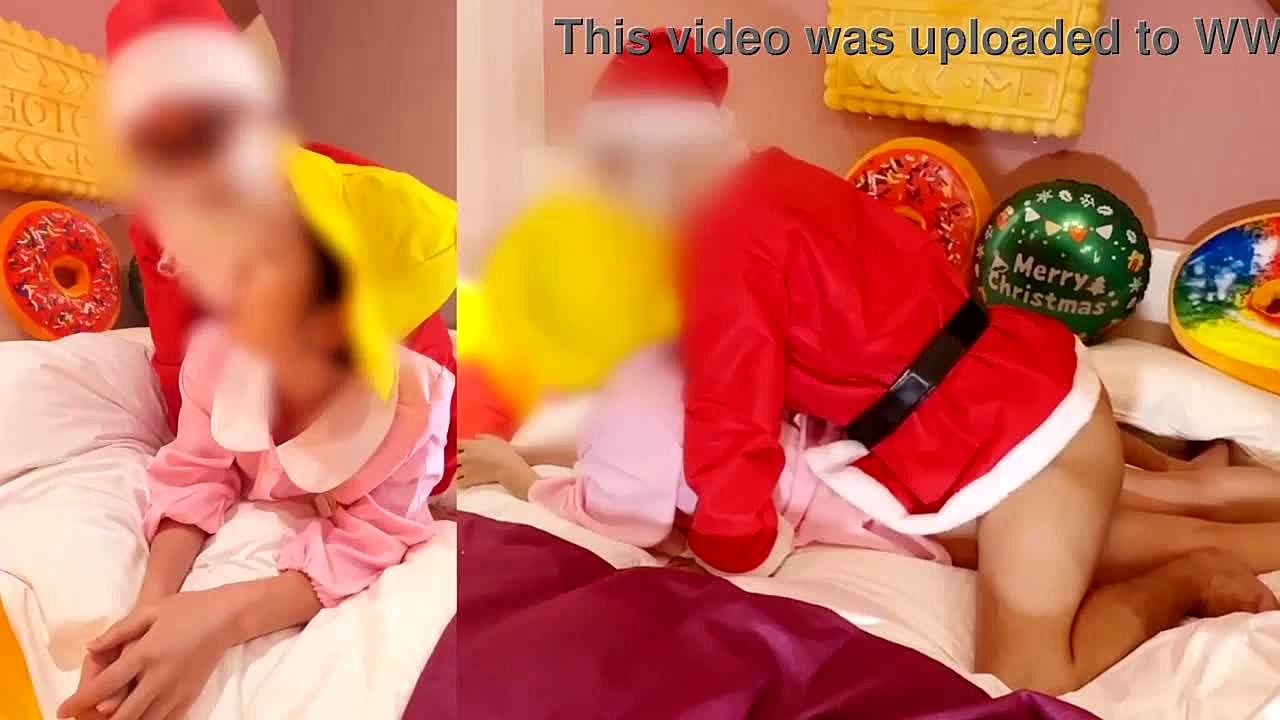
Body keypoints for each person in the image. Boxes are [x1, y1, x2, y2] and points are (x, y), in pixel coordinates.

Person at [465, 29, 1276, 696]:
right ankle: (1209, 505)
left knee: (1026, 674)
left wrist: (736, 557)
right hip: (1012, 398)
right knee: (1151, 507)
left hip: (1014, 439)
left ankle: (1189, 580)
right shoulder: (776, 183)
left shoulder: (719, 251)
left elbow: (729, 429)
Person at [58, 143, 455, 720]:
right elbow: (195, 473)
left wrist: (218, 618)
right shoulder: (217, 354)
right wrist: (149, 612)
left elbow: (373, 536)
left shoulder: (414, 407)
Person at [104, 0, 457, 489]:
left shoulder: (324, 178)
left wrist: (430, 451)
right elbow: (175, 348)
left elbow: (410, 291)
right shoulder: (157, 221)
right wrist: (206, 452)